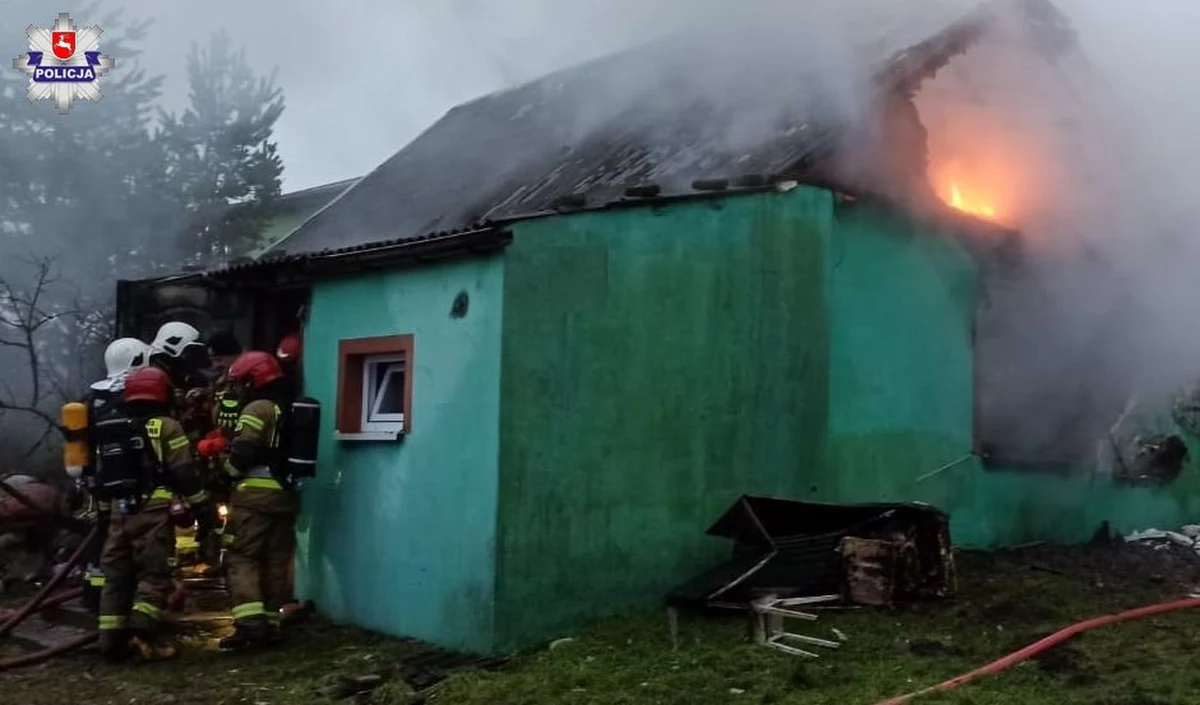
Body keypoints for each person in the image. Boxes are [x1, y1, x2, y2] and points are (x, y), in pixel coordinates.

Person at [95, 367, 217, 662]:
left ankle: (110, 643)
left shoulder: (111, 425)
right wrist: (202, 507)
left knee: (116, 578)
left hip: (117, 511)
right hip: (153, 508)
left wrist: (102, 517)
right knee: (155, 575)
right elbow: (184, 471)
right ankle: (140, 635)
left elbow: (100, 477)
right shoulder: (166, 426)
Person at [218, 351, 298, 650]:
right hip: (286, 496)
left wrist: (224, 472)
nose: (237, 391)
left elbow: (244, 451)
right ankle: (271, 624)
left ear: (253, 380)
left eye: (239, 384)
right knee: (276, 561)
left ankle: (250, 628)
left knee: (241, 557)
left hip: (253, 498)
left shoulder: (257, 407)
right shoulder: (289, 407)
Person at [78, 338, 152, 613]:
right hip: (128, 480)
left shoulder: (91, 397)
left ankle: (93, 597)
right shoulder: (133, 394)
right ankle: (127, 598)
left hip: (97, 481)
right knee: (126, 540)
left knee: (100, 535)